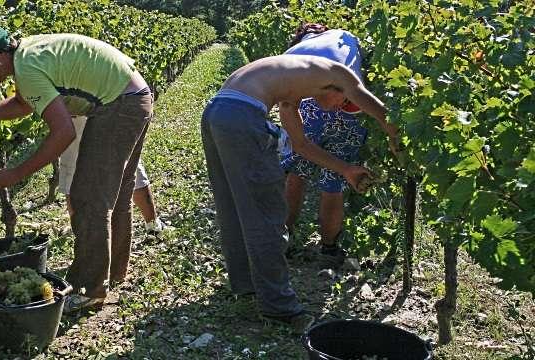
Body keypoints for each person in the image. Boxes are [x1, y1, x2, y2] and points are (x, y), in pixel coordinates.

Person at [0, 24, 152, 314]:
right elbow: (22, 105)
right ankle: (113, 274)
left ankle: (88, 289)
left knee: (88, 197)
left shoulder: (27, 69)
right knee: (115, 193)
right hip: (133, 96)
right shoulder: (26, 55)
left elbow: (63, 132)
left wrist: (16, 173)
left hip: (119, 105)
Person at [201, 53, 395, 332]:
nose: (339, 109)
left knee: (234, 205)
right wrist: (396, 137)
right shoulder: (339, 72)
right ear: (337, 89)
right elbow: (380, 111)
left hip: (218, 113)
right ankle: (280, 308)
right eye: (343, 103)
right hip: (242, 117)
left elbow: (301, 145)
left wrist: (346, 170)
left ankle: (247, 286)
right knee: (267, 213)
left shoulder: (291, 89)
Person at [279, 24, 399, 267]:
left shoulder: (297, 53)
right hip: (350, 112)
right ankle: (329, 249)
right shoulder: (344, 43)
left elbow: (291, 104)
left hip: (311, 105)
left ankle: (282, 240)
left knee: (297, 173)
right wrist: (395, 138)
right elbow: (378, 111)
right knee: (334, 181)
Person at [58, 116, 165, 235]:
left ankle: (81, 232)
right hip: (113, 108)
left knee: (73, 169)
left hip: (78, 111)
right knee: (128, 164)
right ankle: (153, 224)